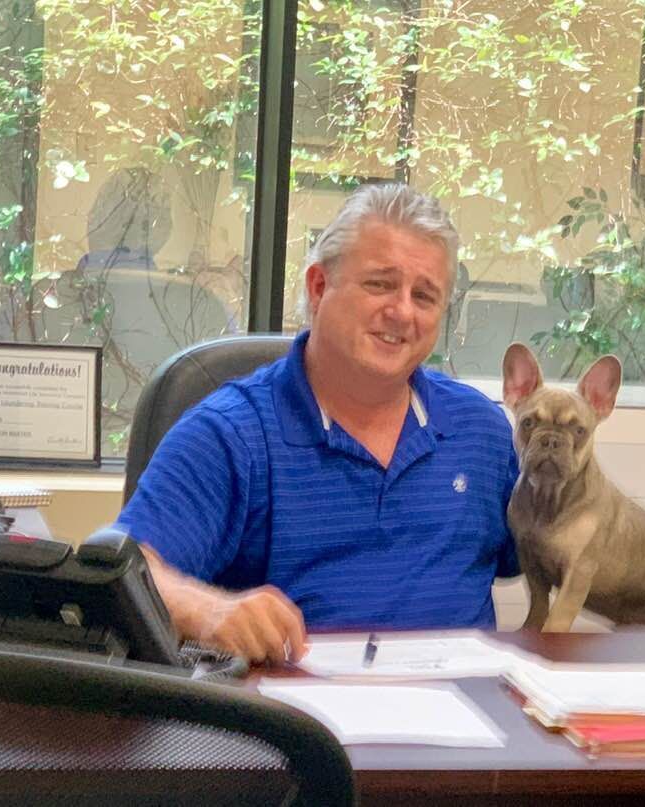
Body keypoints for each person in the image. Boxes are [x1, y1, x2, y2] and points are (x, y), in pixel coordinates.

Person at [115, 183, 519, 664]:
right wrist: (210, 611)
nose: (402, 312)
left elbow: (558, 552)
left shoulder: (481, 433)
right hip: (297, 728)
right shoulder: (230, 434)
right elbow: (126, 569)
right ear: (319, 287)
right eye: (380, 284)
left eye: (425, 296)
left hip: (467, 725)